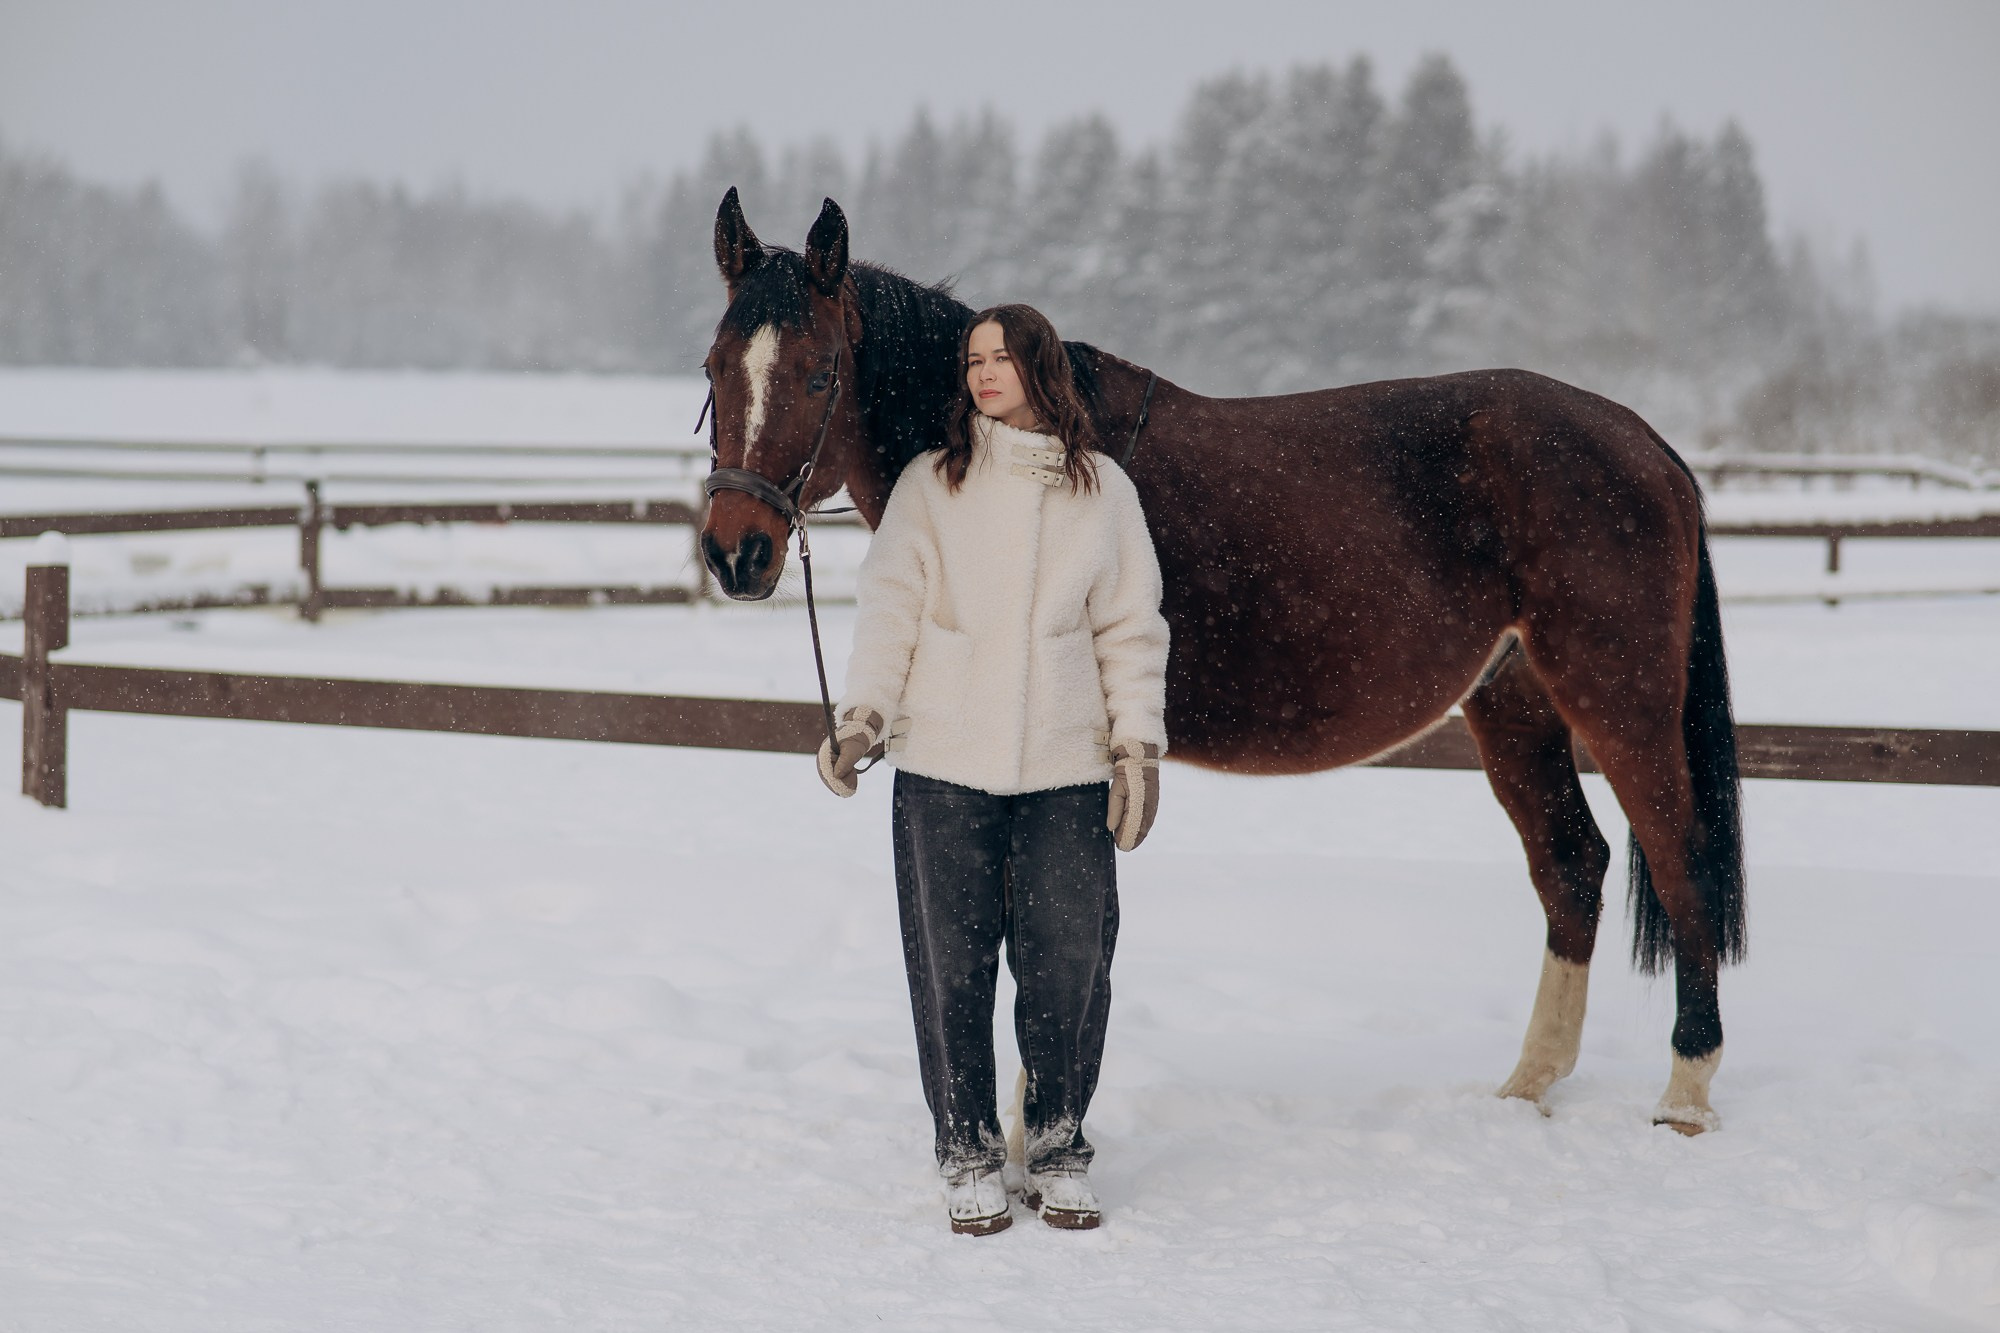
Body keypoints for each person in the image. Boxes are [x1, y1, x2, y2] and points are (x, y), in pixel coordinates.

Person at [817, 303, 1169, 1236]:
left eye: (1001, 357)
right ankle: (967, 1147)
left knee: (1069, 966)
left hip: (1065, 767)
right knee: (952, 970)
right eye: (972, 359)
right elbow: (889, 609)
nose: (983, 373)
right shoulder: (931, 486)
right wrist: (862, 718)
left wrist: (1137, 748)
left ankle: (1057, 1143)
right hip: (943, 766)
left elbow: (1131, 629)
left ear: (1040, 367)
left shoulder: (1106, 494)